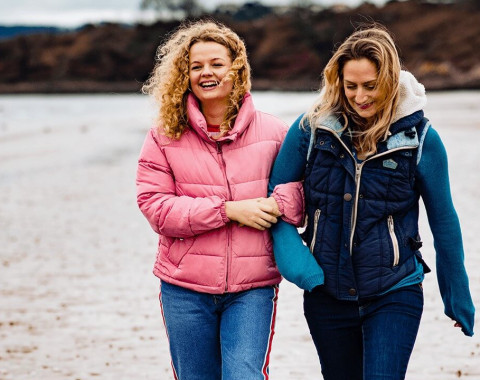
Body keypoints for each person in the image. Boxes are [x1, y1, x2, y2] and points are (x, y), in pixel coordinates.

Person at [268, 24, 475, 380]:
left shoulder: (421, 139)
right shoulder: (312, 129)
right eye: (351, 86)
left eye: (370, 86)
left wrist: (456, 293)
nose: (360, 96)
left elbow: (443, 220)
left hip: (394, 290)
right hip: (326, 292)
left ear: (391, 80)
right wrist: (300, 266)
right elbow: (276, 200)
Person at [136, 20, 300, 380]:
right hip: (184, 287)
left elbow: (304, 193)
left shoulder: (275, 132)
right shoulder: (164, 135)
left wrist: (279, 204)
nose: (206, 73)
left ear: (236, 68)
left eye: (216, 64)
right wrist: (227, 210)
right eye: (196, 66)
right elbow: (155, 207)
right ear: (185, 74)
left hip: (252, 287)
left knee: (244, 375)